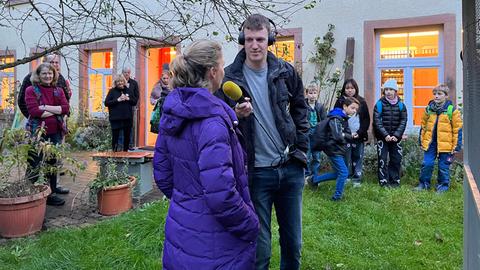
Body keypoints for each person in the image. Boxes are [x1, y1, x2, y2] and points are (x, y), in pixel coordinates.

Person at [153, 40, 259, 269]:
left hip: (181, 230)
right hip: (217, 244)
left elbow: (163, 176)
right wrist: (251, 224)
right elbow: (222, 196)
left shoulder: (173, 111)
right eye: (221, 64)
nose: (224, 70)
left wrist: (189, 201)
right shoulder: (213, 123)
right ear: (212, 72)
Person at [216, 14, 309, 270]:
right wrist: (234, 115)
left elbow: (301, 108)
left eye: (260, 39)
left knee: (293, 244)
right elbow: (216, 120)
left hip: (290, 169)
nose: (255, 45)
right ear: (242, 41)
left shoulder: (285, 71)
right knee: (260, 248)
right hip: (256, 173)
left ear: (269, 40)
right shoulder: (228, 78)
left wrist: (301, 149)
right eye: (249, 39)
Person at [25, 63, 70, 206]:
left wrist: (45, 107)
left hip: (55, 131)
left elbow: (66, 108)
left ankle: (52, 190)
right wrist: (56, 110)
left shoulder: (58, 90)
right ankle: (35, 192)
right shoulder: (31, 90)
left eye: (50, 73)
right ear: (38, 75)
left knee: (52, 162)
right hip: (37, 132)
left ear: (54, 75)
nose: (47, 76)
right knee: (36, 163)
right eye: (44, 73)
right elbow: (34, 112)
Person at [415, 84, 463, 193]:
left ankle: (442, 187)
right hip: (430, 143)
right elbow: (423, 125)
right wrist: (421, 140)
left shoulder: (452, 110)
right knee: (427, 164)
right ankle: (423, 184)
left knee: (443, 166)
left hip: (446, 144)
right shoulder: (429, 109)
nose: (436, 96)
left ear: (446, 96)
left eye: (439, 94)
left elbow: (458, 129)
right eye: (435, 94)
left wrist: (456, 145)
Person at [309, 97, 358, 200]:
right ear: (345, 106)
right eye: (352, 108)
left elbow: (342, 134)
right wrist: (349, 135)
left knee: (337, 173)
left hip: (338, 149)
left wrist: (346, 135)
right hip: (334, 150)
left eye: (356, 109)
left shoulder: (342, 118)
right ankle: (337, 197)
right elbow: (338, 136)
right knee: (344, 173)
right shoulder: (336, 117)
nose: (354, 111)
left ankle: (314, 179)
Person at [334, 78, 370, 187]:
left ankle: (357, 178)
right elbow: (336, 118)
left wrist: (359, 132)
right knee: (346, 156)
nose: (350, 90)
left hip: (358, 135)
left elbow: (366, 120)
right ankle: (347, 177)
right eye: (347, 88)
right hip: (345, 136)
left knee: (357, 156)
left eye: (352, 88)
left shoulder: (362, 102)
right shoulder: (340, 102)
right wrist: (344, 132)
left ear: (356, 89)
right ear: (344, 89)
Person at [372, 79, 408, 187]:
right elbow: (377, 122)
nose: (388, 92)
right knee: (382, 159)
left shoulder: (401, 105)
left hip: (396, 138)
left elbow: (403, 121)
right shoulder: (379, 104)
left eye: (391, 89)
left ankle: (394, 180)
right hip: (383, 138)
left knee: (396, 159)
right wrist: (385, 135)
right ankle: (383, 181)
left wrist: (396, 135)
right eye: (386, 89)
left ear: (395, 91)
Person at [19, 53, 71, 118]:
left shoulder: (60, 78)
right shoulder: (30, 78)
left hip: (59, 121)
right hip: (37, 122)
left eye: (56, 62)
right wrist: (31, 117)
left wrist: (65, 115)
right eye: (51, 62)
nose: (54, 64)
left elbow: (66, 101)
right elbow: (22, 101)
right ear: (44, 62)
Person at [104, 74, 138, 152]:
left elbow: (134, 102)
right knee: (115, 137)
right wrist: (117, 100)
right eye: (118, 81)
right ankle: (114, 153)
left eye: (121, 81)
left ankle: (125, 153)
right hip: (115, 119)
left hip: (127, 118)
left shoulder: (128, 90)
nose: (120, 83)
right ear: (115, 83)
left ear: (124, 82)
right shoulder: (112, 91)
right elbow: (106, 103)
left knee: (127, 137)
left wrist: (128, 98)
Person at [304, 82, 326, 181]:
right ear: (306, 94)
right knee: (307, 155)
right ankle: (306, 175)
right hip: (307, 132)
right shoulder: (303, 106)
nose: (312, 95)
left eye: (314, 93)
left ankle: (315, 175)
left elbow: (324, 120)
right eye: (310, 93)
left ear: (317, 94)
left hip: (317, 134)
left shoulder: (320, 106)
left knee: (316, 156)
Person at [120, 67, 139, 150]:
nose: (126, 74)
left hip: (130, 108)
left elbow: (136, 97)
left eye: (128, 72)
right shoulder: (119, 83)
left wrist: (129, 99)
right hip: (119, 108)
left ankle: (129, 144)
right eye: (125, 72)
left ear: (130, 73)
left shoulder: (134, 83)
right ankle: (120, 145)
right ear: (122, 73)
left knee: (129, 126)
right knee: (120, 127)